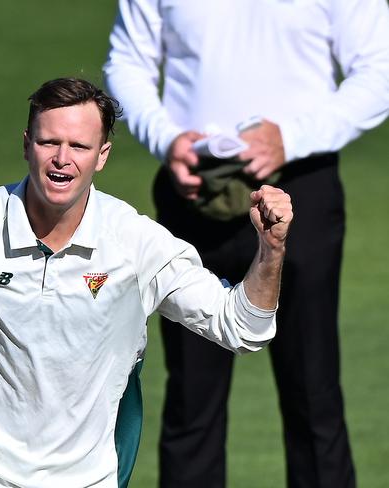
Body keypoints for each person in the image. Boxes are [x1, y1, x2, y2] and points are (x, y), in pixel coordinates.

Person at [0, 77, 293, 488]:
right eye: (48, 142)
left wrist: (270, 252)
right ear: (26, 143)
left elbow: (241, 328)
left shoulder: (136, 242)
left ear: (101, 155)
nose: (62, 158)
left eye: (78, 146)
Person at [103, 1, 389, 487]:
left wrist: (291, 137)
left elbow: (379, 71)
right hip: (192, 188)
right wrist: (167, 139)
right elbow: (126, 61)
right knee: (192, 400)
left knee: (313, 393)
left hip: (303, 187)